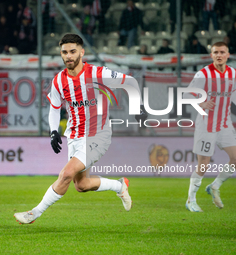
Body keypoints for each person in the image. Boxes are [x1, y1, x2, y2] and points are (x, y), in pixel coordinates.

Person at [14, 34, 147, 224]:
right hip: (74, 135)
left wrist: (137, 107)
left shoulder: (98, 74)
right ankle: (119, 186)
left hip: (98, 135)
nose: (68, 56)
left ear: (82, 52)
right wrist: (53, 131)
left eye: (73, 51)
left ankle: (33, 213)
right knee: (81, 185)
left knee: (66, 174)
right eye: (64, 52)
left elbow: (131, 82)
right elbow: (54, 108)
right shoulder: (59, 80)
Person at [185, 42, 236, 212]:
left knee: (235, 158)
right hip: (207, 125)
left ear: (228, 55)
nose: (219, 55)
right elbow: (187, 93)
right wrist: (202, 102)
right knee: (204, 164)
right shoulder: (204, 74)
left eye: (222, 52)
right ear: (211, 55)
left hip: (225, 124)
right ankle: (190, 199)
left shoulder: (233, 74)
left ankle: (215, 186)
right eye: (216, 52)